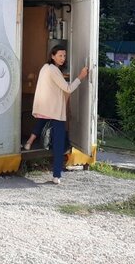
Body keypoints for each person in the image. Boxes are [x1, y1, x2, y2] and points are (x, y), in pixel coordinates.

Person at [22, 45, 88, 184]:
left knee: (41, 124)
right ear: (52, 56)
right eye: (60, 56)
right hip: (55, 111)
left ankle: (29, 142)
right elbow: (68, 88)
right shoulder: (53, 70)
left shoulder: (45, 68)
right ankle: (56, 175)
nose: (63, 58)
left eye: (64, 56)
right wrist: (80, 77)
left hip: (45, 108)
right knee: (59, 143)